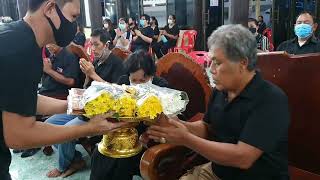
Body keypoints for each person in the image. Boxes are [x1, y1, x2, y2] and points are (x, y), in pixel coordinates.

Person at [0, 1, 127, 179]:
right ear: (51, 9)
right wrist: (89, 129)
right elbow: (18, 135)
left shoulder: (15, 35)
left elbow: (22, 100)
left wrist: (75, 105)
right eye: (73, 16)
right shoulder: (20, 49)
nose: (74, 24)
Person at [147, 24, 290, 180]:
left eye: (218, 63)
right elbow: (207, 128)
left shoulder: (270, 99)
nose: (211, 69)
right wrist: (179, 125)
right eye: (211, 62)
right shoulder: (221, 91)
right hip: (218, 171)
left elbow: (243, 158)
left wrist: (185, 138)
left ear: (243, 63)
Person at [45, 29, 126, 178]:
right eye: (91, 45)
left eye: (96, 45)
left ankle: (64, 166)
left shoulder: (117, 63)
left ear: (107, 44)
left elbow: (118, 93)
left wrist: (93, 74)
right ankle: (75, 159)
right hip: (84, 107)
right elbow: (86, 88)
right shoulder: (96, 61)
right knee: (50, 124)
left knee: (64, 133)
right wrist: (88, 77)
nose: (93, 49)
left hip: (99, 113)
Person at [90, 50, 169, 180]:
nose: (137, 85)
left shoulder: (161, 86)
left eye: (143, 80)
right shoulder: (123, 81)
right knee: (99, 153)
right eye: (134, 80)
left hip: (147, 134)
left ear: (151, 76)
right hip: (123, 129)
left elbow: (165, 120)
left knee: (121, 161)